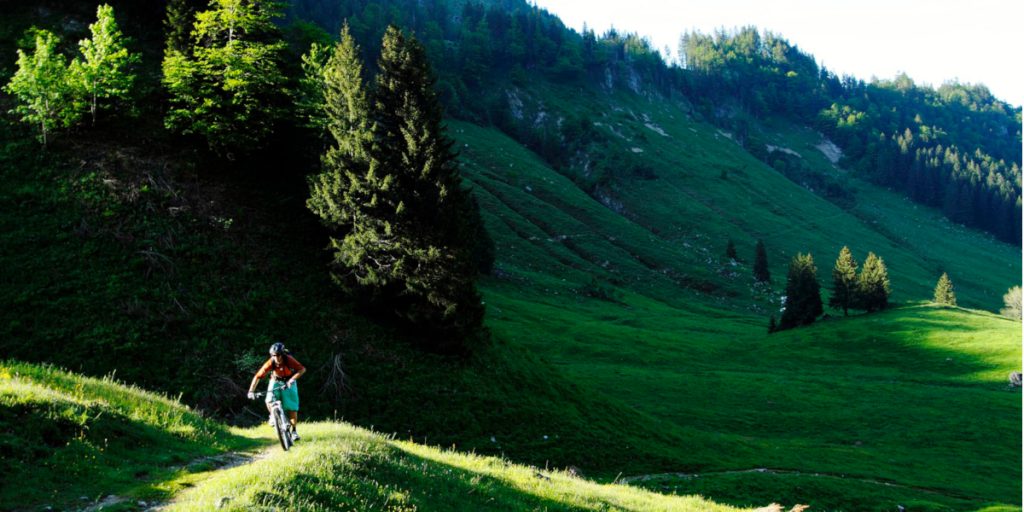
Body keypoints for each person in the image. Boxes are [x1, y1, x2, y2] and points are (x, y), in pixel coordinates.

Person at [247, 342, 306, 441]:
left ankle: (294, 431)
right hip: (275, 380)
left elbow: (302, 369)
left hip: (289, 381)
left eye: (278, 355)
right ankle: (273, 416)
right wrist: (251, 391)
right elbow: (258, 376)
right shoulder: (271, 362)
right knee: (269, 400)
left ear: (282, 354)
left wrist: (292, 380)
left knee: (292, 407)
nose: (276, 357)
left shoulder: (289, 359)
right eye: (273, 355)